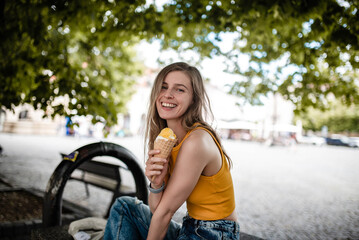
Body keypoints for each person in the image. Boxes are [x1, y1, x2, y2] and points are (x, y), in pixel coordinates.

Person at [104, 62, 239, 240]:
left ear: (194, 99)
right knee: (125, 206)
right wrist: (157, 184)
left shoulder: (196, 141)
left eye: (179, 90)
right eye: (164, 87)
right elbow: (156, 209)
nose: (167, 94)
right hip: (190, 227)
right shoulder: (168, 139)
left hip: (214, 233)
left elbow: (166, 212)